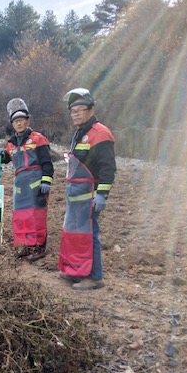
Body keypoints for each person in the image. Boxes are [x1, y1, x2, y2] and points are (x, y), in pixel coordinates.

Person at [58, 88, 116, 290]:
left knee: (90, 234)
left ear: (91, 110)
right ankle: (76, 271)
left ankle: (95, 276)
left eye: (80, 109)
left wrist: (101, 194)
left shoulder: (101, 133)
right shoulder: (79, 133)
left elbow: (108, 169)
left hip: (89, 196)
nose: (76, 114)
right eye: (73, 111)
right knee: (76, 234)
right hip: (76, 196)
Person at [0, 98, 54, 262]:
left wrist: (46, 181)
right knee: (22, 216)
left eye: (21, 120)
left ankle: (39, 248)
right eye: (16, 121)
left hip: (35, 182)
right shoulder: (11, 143)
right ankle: (26, 246)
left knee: (37, 215)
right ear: (12, 124)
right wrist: (2, 154)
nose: (19, 124)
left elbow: (47, 162)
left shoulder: (38, 139)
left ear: (27, 121)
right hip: (20, 184)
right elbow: (8, 158)